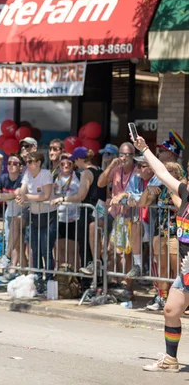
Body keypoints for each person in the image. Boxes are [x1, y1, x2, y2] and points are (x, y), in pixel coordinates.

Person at [134, 135, 189, 373]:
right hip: (187, 268)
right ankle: (170, 359)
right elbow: (162, 173)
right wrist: (144, 149)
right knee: (170, 310)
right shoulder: (185, 192)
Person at [140, 162, 185, 311]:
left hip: (175, 233)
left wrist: (172, 190)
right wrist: (148, 190)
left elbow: (180, 205)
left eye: (170, 173)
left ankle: (181, 300)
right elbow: (142, 204)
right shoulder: (161, 189)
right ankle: (162, 298)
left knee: (177, 268)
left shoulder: (181, 188)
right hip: (160, 232)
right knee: (162, 267)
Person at [97, 142, 136, 291]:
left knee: (125, 254)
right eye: (121, 154)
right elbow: (101, 183)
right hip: (114, 214)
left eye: (127, 154)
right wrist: (111, 164)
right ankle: (114, 281)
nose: (123, 157)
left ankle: (127, 286)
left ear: (133, 156)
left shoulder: (137, 170)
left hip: (129, 216)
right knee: (108, 249)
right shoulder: (116, 169)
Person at [16, 151, 57, 286]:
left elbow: (45, 195)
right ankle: (39, 277)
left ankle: (50, 278)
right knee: (35, 248)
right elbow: (23, 188)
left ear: (38, 163)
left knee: (46, 248)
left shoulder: (45, 174)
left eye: (30, 162)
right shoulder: (27, 174)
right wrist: (20, 194)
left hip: (48, 215)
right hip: (34, 215)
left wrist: (27, 197)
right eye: (26, 162)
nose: (27, 164)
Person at [65, 147, 106, 276]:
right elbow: (107, 194)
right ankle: (99, 281)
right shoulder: (101, 170)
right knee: (97, 247)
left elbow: (81, 196)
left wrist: (63, 199)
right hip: (99, 212)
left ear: (79, 159)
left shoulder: (86, 173)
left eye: (75, 160)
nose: (75, 163)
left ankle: (88, 283)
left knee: (86, 248)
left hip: (88, 212)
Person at [0, 154, 25, 280]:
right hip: (10, 213)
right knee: (12, 242)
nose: (11, 166)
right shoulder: (3, 178)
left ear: (20, 167)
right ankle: (13, 269)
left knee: (22, 245)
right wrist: (5, 196)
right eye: (9, 163)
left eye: (15, 164)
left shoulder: (22, 179)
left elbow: (15, 194)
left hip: (24, 213)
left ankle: (19, 269)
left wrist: (0, 196)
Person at [50, 154, 81, 270]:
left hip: (74, 218)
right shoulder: (54, 177)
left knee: (73, 250)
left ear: (73, 165)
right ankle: (62, 277)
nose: (65, 166)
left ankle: (74, 277)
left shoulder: (78, 176)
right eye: (62, 163)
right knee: (60, 249)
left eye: (69, 163)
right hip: (58, 217)